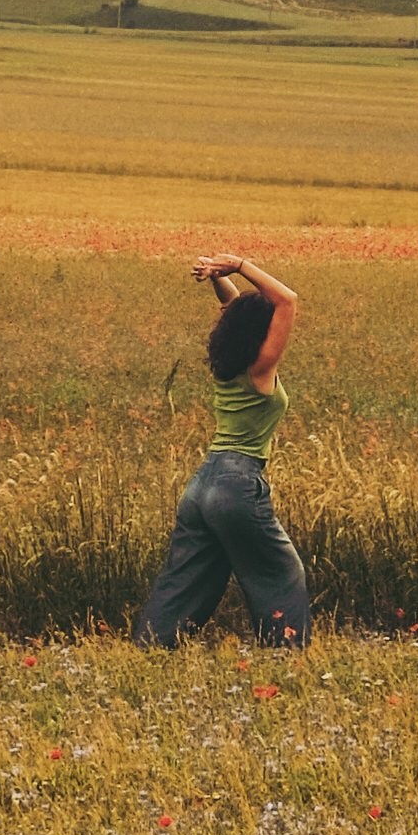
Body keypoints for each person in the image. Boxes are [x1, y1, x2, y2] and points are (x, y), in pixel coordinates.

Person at [136, 245, 311, 648]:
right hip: (236, 485)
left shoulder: (229, 366)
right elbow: (288, 300)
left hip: (201, 486)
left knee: (184, 580)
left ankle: (150, 648)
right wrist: (239, 265)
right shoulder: (261, 368)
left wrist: (217, 276)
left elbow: (234, 307)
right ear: (261, 333)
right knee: (282, 575)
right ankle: (288, 656)